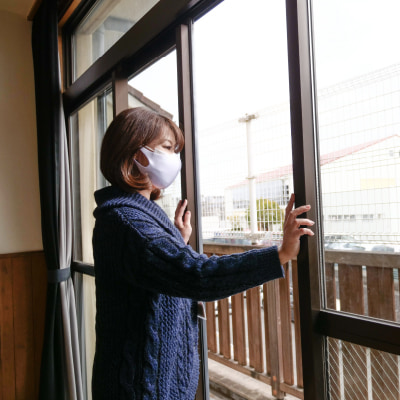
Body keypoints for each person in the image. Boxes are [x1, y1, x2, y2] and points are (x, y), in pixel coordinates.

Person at [91, 107, 314, 399]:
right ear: (136, 154)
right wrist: (280, 253)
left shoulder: (134, 215)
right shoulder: (126, 221)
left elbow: (156, 271)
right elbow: (197, 275)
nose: (175, 159)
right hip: (138, 389)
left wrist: (176, 243)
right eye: (168, 148)